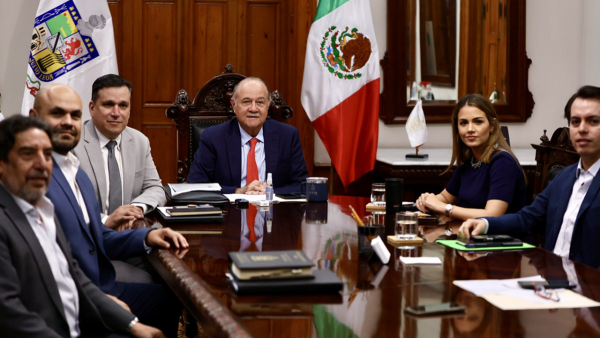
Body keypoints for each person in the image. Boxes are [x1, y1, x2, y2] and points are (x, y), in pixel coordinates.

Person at [30, 84, 187, 337]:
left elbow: (94, 238)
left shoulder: (76, 174)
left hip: (96, 280)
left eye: (74, 115)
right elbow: (44, 263)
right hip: (70, 295)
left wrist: (146, 237)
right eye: (58, 114)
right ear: (34, 118)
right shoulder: (34, 179)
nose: (68, 122)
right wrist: (105, 303)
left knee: (170, 296)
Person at [0, 115, 164, 337]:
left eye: (47, 155)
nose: (42, 164)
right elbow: (8, 313)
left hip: (82, 318)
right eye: (28, 154)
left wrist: (132, 324)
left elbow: (74, 277)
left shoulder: (44, 209)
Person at [458, 86, 600, 269]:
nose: (581, 129)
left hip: (589, 291)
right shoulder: (564, 177)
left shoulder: (503, 161)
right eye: (575, 122)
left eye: (593, 121)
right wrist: (484, 224)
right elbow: (528, 218)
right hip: (552, 285)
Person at [73, 74, 165, 230]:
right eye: (108, 104)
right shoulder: (73, 143)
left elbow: (155, 188)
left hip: (128, 233)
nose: (116, 113)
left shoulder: (139, 141)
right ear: (92, 108)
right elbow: (67, 200)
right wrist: (106, 221)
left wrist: (135, 209)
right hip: (89, 234)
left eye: (123, 105)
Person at [187, 77, 308, 194]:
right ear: (234, 105)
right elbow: (196, 184)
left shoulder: (287, 136)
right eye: (246, 102)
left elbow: (302, 184)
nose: (253, 108)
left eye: (260, 102)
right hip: (230, 211)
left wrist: (271, 192)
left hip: (275, 211)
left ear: (268, 105)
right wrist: (239, 191)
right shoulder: (213, 137)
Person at [416, 94, 527, 220]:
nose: (470, 129)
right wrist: (427, 200)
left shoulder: (503, 162)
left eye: (478, 122)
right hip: (472, 236)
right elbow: (446, 198)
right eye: (463, 123)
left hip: (506, 238)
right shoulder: (470, 162)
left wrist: (443, 208)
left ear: (492, 125)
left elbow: (492, 215)